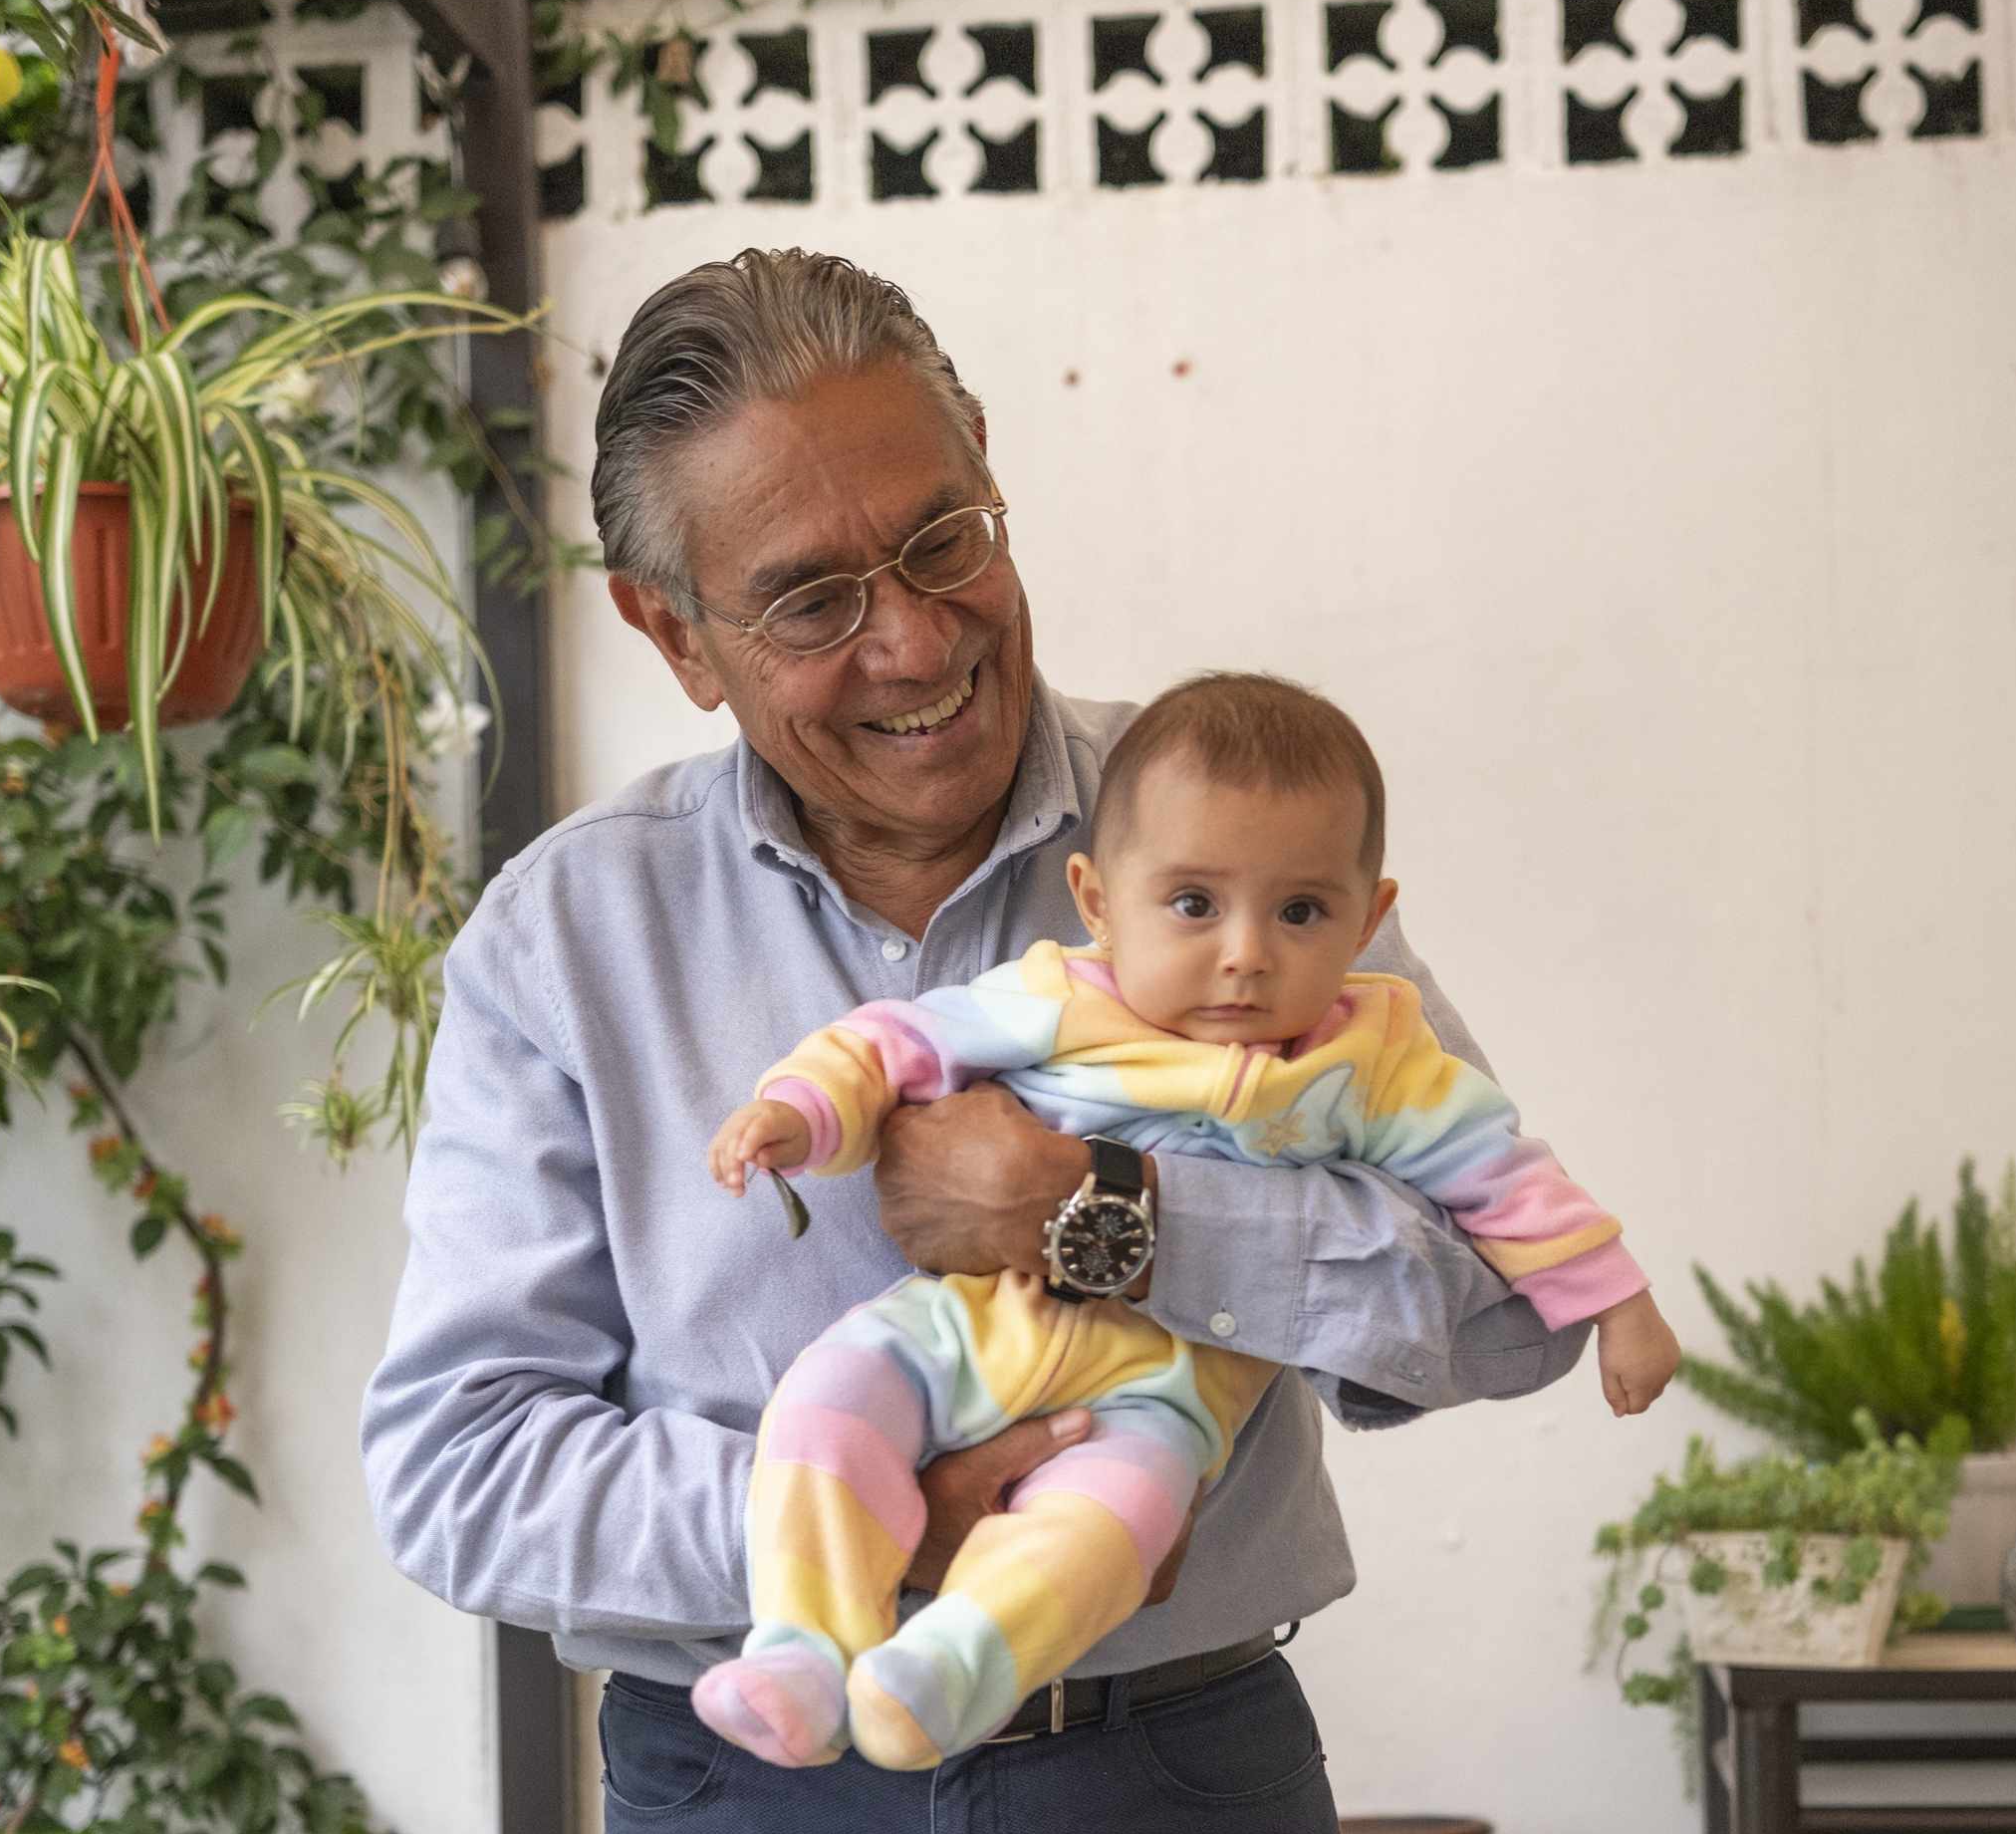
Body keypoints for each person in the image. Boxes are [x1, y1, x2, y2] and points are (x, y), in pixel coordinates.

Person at [362, 250, 1616, 1834]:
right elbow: (458, 1464)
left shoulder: (1228, 835)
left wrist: (1108, 1221)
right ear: (674, 636)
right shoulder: (568, 937)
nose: (917, 639)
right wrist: (879, 1524)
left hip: (1175, 1790)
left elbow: (1510, 1304)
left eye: (944, 539)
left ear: (995, 489)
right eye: (812, 596)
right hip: (748, 1824)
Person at [696, 671, 1677, 1772]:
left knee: (1107, 1535)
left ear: (1368, 919)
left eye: (1300, 912)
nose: (1246, 952)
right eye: (1195, 905)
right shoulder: (1062, 998)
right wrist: (801, 1111)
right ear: (1098, 900)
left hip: (1161, 1397)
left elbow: (1502, 1179)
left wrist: (1620, 1301)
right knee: (825, 1406)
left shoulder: (1374, 1060)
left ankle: (944, 1674)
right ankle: (803, 1651)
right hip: (960, 1329)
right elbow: (894, 1043)